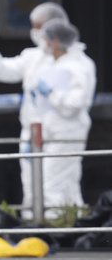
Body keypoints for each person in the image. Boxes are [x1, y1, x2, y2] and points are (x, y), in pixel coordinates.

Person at [0, 2, 68, 218]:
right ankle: (34, 229)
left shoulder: (73, 60)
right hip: (31, 134)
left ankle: (62, 230)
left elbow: (72, 104)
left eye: (38, 26)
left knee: (56, 186)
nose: (35, 32)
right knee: (31, 186)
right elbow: (3, 71)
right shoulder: (32, 57)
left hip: (58, 135)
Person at [32, 18, 96, 219]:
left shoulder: (77, 66)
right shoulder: (61, 63)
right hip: (57, 131)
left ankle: (56, 228)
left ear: (57, 41)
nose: (45, 44)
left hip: (68, 131)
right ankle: (74, 225)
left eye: (47, 39)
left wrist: (51, 94)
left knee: (53, 182)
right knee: (67, 182)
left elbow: (75, 104)